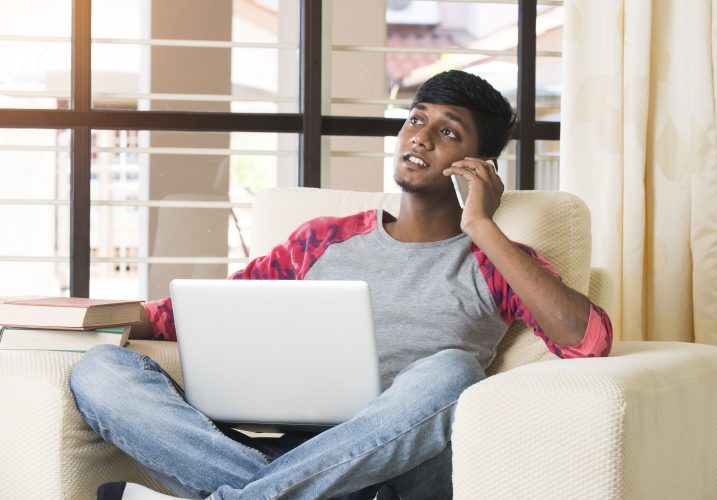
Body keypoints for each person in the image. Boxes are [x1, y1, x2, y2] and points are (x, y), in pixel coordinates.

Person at [70, 70, 612, 500]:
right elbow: (212, 309)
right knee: (100, 370)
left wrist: (482, 226)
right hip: (287, 444)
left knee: (453, 370)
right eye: (415, 120)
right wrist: (82, 316)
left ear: (479, 166)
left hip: (404, 471)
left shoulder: (496, 259)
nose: (419, 137)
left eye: (447, 131)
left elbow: (588, 340)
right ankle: (287, 490)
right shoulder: (323, 241)